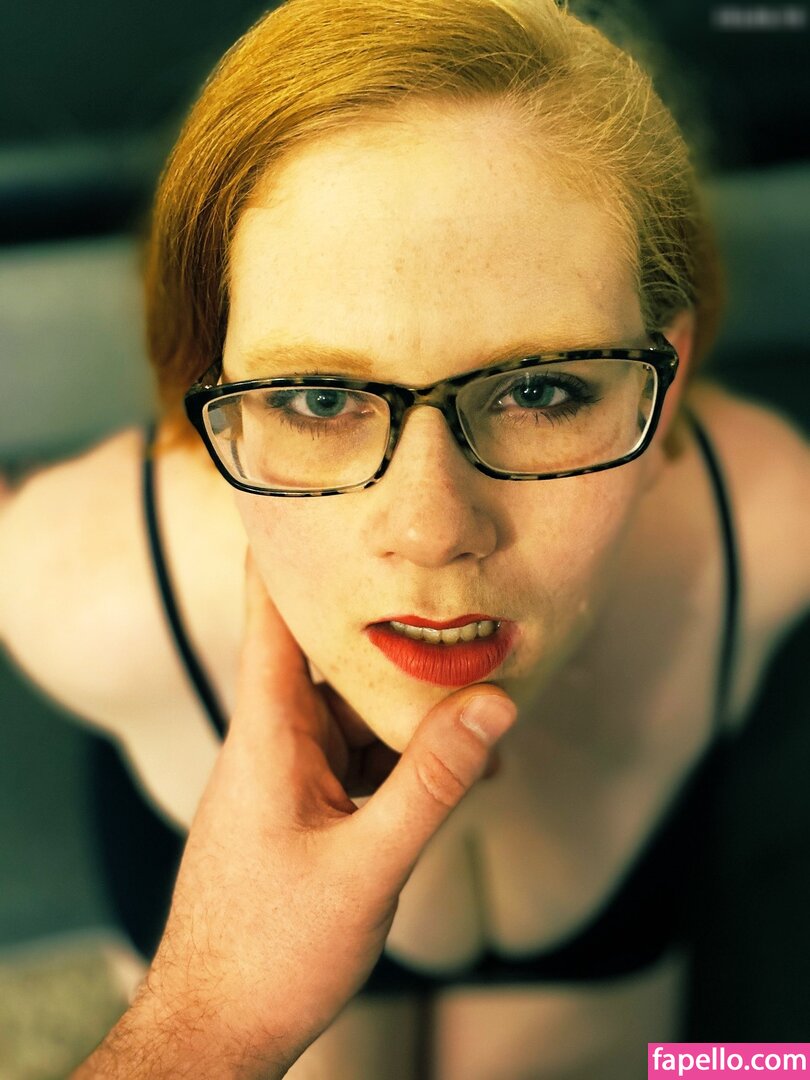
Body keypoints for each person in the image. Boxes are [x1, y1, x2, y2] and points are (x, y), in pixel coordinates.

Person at [1, 0, 808, 1076]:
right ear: (215, 386)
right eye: (319, 399)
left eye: (541, 389)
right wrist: (207, 1021)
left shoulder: (771, 542)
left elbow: (745, 1063)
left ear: (665, 389)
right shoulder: (83, 589)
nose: (432, 532)